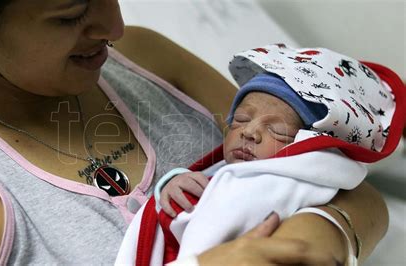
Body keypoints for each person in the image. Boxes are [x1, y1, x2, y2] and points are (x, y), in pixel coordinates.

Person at [0, 1, 396, 265]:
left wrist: (325, 233)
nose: (113, 26)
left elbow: (356, 192)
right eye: (71, 13)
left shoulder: (148, 56)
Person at [115, 44, 404, 265]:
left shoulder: (295, 179)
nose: (248, 132)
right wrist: (175, 183)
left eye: (278, 130)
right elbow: (204, 195)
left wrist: (326, 232)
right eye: (239, 119)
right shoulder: (228, 170)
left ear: (309, 145)